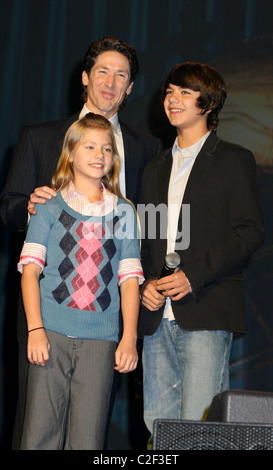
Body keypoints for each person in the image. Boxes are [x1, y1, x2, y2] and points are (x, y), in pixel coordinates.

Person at [0, 36, 161, 449]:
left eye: (121, 75)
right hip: (48, 319)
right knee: (35, 427)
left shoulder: (149, 149)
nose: (110, 82)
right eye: (102, 71)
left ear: (129, 89)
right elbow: (11, 206)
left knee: (91, 432)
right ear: (86, 78)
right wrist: (32, 208)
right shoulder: (41, 136)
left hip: (108, 321)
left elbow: (155, 226)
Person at [138, 62, 265, 438]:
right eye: (169, 91)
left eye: (185, 92)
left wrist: (193, 275)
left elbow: (250, 231)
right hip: (157, 314)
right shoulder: (155, 166)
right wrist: (145, 281)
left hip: (207, 307)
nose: (173, 99)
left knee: (199, 425)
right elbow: (148, 237)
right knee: (157, 424)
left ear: (208, 102)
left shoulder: (234, 159)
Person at [17, 112, 144, 450]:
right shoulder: (48, 207)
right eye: (90, 146)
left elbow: (130, 280)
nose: (99, 154)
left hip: (101, 341)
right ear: (70, 153)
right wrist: (35, 329)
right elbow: (29, 272)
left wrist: (128, 338)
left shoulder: (124, 213)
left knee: (88, 440)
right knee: (39, 435)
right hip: (50, 336)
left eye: (107, 149)